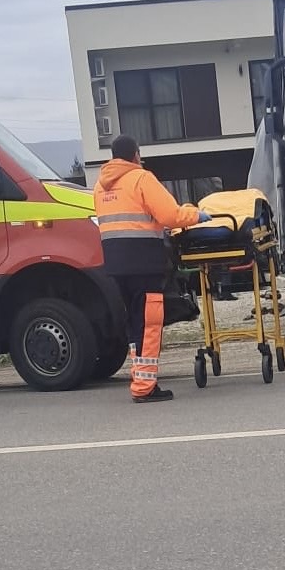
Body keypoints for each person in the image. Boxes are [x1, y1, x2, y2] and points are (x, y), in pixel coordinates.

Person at [95, 135, 209, 403]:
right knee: (148, 323)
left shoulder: (100, 186)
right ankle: (145, 388)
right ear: (135, 154)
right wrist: (196, 214)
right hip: (143, 262)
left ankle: (141, 379)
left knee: (135, 324)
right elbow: (170, 216)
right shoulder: (141, 178)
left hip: (116, 264)